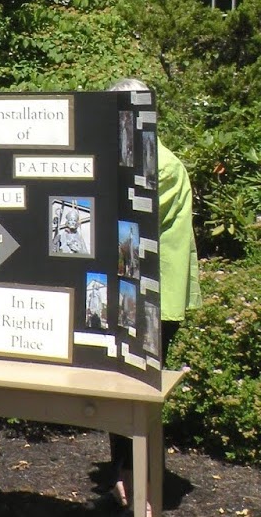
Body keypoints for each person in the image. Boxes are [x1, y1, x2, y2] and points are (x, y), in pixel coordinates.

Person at [100, 79, 202, 513]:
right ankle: (126, 478)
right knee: (117, 387)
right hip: (129, 292)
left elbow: (133, 223)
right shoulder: (123, 157)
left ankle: (140, 486)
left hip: (156, 298)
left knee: (139, 393)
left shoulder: (162, 165)